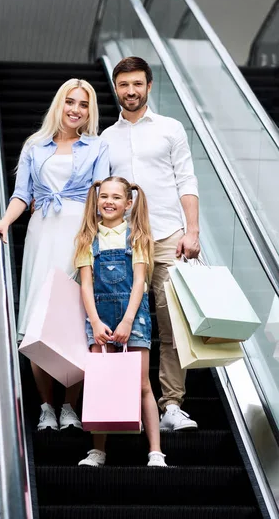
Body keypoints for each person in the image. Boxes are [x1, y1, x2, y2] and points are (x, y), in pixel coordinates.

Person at [0, 78, 110, 431]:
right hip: (42, 233)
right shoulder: (34, 146)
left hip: (79, 234)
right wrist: (5, 223)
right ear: (59, 104)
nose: (76, 109)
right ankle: (45, 406)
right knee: (38, 320)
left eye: (83, 104)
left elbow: (99, 197)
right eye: (70, 102)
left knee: (74, 320)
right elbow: (21, 193)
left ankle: (70, 406)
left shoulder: (97, 147)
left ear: (90, 111)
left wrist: (95, 239)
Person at [101, 57, 200, 431]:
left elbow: (186, 180)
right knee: (124, 324)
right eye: (124, 85)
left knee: (172, 323)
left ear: (149, 86)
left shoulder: (170, 129)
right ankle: (127, 405)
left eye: (137, 84)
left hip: (169, 238)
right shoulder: (105, 139)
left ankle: (171, 404)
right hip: (122, 245)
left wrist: (192, 231)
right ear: (116, 88)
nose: (131, 91)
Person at [75, 176, 166, 467]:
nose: (109, 202)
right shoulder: (87, 238)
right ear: (96, 200)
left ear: (128, 204)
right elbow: (86, 285)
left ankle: (155, 451)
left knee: (142, 385)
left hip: (133, 317)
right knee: (101, 382)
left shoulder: (137, 237)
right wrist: (95, 322)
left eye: (116, 197)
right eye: (104, 197)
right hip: (99, 319)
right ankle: (98, 450)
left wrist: (127, 321)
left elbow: (139, 282)